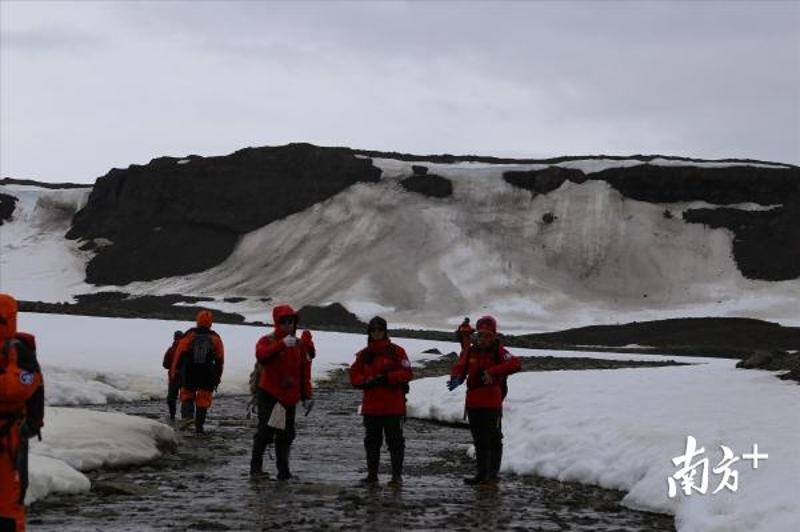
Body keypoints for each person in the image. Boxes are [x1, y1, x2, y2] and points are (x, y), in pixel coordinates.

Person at [447, 315, 520, 485]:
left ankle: (492, 476)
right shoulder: (471, 351)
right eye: (480, 335)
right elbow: (460, 366)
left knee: (493, 438)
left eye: (487, 335)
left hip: (492, 403)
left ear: (494, 335)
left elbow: (515, 363)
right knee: (479, 439)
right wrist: (457, 377)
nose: (483, 338)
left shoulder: (499, 351)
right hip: (473, 403)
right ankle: (481, 474)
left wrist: (492, 372)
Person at [250, 305, 315, 480]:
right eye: (284, 321)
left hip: (289, 397)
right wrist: (281, 345)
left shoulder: (300, 345)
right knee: (265, 432)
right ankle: (255, 468)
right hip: (269, 393)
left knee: (286, 435)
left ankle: (283, 471)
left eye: (291, 321)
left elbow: (304, 372)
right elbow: (261, 355)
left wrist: (307, 396)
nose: (288, 325)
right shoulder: (267, 341)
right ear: (277, 323)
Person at [350, 316, 413, 486]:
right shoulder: (364, 354)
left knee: (395, 442)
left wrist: (389, 378)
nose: (376, 333)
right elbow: (354, 375)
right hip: (372, 407)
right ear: (369, 332)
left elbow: (408, 373)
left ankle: (396, 477)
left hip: (393, 407)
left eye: (380, 329)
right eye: (373, 330)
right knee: (371, 442)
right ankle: (372, 475)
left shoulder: (397, 351)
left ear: (385, 331)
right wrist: (366, 381)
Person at [1, 294, 45, 532]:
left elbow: (17, 388)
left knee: (9, 501)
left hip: (9, 437)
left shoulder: (18, 350)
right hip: (10, 435)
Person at [171, 310, 224, 433]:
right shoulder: (215, 338)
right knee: (203, 399)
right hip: (207, 372)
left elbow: (178, 355)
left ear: (197, 320)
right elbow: (220, 359)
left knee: (187, 394)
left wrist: (175, 373)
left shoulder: (189, 335)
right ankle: (199, 427)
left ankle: (188, 419)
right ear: (210, 322)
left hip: (190, 371)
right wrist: (217, 376)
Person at [162, 330, 184, 421]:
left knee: (172, 398)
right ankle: (186, 417)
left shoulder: (170, 349)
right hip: (185, 377)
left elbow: (165, 365)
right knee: (186, 397)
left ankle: (172, 416)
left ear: (174, 338)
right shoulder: (187, 349)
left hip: (173, 377)